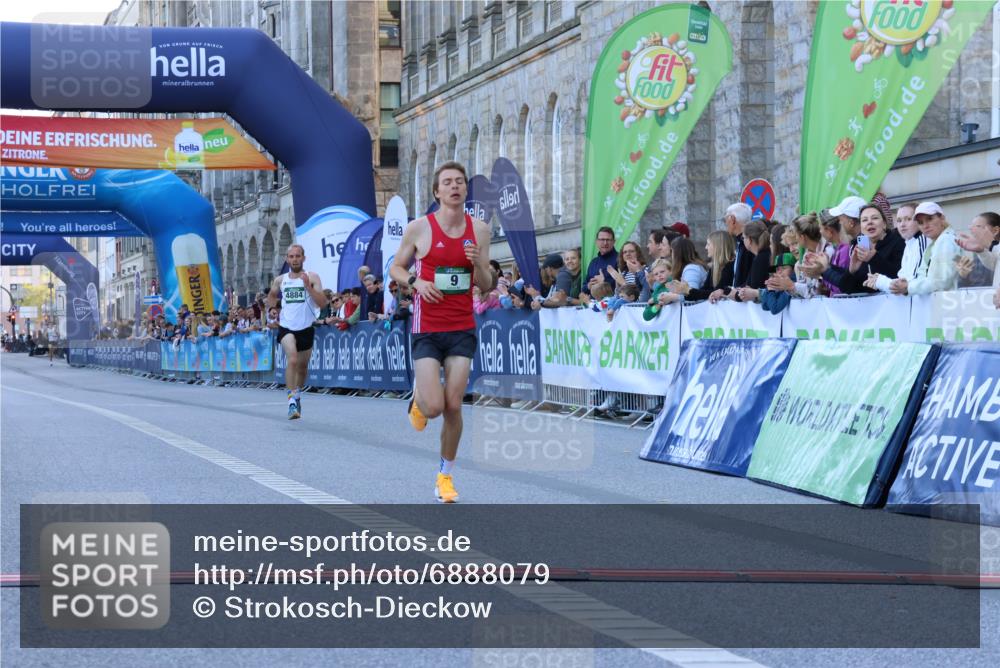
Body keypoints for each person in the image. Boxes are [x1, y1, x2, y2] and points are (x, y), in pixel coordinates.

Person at [389, 161, 495, 503]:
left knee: (453, 406)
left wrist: (478, 262)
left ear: (465, 190)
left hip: (462, 325)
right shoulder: (419, 228)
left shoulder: (479, 230)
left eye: (460, 182)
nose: (454, 187)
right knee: (434, 407)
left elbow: (487, 284)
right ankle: (418, 403)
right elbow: (395, 267)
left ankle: (445, 476)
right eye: (447, 182)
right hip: (427, 327)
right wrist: (416, 282)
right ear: (437, 192)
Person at [266, 243, 327, 419]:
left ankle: (297, 394)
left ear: (303, 258)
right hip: (286, 327)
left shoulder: (312, 277)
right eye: (291, 256)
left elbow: (322, 303)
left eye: (297, 256)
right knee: (292, 359)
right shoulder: (280, 280)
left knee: (302, 367)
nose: (294, 259)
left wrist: (308, 287)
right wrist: (272, 308)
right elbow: (271, 296)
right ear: (287, 259)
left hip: (306, 327)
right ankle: (291, 401)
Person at [888, 202, 962, 296]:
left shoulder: (946, 240)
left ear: (942, 218)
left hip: (948, 303)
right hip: (943, 303)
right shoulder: (935, 243)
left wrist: (908, 287)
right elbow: (923, 275)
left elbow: (942, 281)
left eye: (929, 219)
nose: (925, 226)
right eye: (920, 222)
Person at [583, 226, 618, 295]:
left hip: (614, 304)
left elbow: (626, 286)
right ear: (596, 242)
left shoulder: (620, 259)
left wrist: (604, 282)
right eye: (602, 240)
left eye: (608, 240)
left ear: (614, 242)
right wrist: (588, 286)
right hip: (594, 303)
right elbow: (583, 287)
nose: (605, 243)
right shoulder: (593, 262)